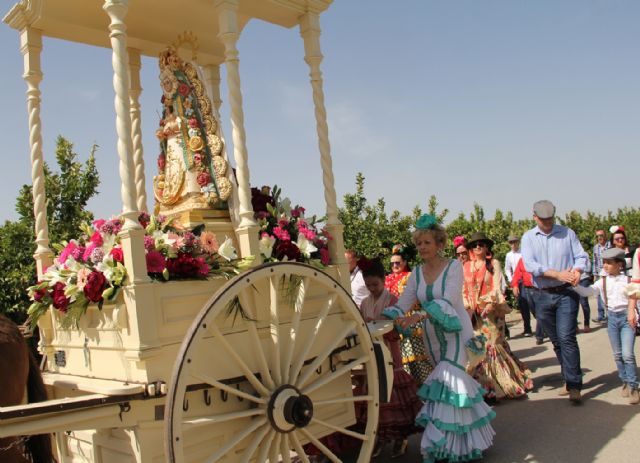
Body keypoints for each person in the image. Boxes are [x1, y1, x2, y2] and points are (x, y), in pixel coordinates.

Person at [383, 215, 495, 462]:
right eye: (419, 243)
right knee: (444, 389)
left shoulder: (453, 267)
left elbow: (449, 299)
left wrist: (417, 316)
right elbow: (404, 301)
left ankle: (457, 448)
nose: (422, 247)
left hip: (456, 333)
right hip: (432, 337)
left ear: (439, 244)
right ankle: (455, 444)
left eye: (427, 243)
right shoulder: (416, 273)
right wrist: (392, 315)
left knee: (451, 381)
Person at [521, 200, 589, 404]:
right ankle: (568, 377)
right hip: (541, 295)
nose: (548, 223)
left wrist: (577, 271)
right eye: (543, 220)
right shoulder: (528, 238)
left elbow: (581, 256)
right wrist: (557, 274)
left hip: (566, 293)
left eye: (550, 219)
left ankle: (575, 384)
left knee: (567, 337)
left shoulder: (567, 233)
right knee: (557, 340)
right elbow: (531, 265)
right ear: (535, 218)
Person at [358, 257, 423, 458]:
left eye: (375, 284)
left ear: (383, 280)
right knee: (377, 398)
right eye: (368, 285)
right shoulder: (364, 302)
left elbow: (397, 326)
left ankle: (400, 438)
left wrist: (377, 323)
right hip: (372, 355)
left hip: (389, 351)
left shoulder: (393, 300)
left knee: (393, 397)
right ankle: (381, 437)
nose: (372, 289)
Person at [463, 232, 534, 401]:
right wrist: (467, 307)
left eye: (481, 244)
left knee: (493, 346)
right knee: (479, 349)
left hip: (492, 313)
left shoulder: (493, 263)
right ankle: (485, 386)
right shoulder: (466, 266)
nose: (478, 247)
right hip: (474, 315)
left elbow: (496, 287)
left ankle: (502, 385)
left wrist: (489, 303)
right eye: (474, 245)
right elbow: (463, 289)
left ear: (487, 247)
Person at [574, 248, 639, 404]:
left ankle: (633, 386)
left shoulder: (629, 280)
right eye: (604, 263)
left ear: (619, 265)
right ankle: (624, 380)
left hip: (626, 318)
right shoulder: (602, 281)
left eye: (609, 263)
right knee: (617, 354)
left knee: (627, 354)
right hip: (612, 319)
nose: (605, 266)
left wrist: (635, 315)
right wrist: (575, 285)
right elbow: (587, 291)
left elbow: (636, 298)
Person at [385, 244, 434, 386]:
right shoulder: (388, 279)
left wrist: (402, 313)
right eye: (392, 263)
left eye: (397, 262)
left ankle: (427, 386)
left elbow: (413, 298)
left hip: (410, 320)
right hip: (396, 321)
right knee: (402, 358)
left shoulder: (409, 277)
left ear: (405, 263)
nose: (394, 265)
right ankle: (411, 389)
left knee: (417, 358)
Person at [512, 257, 546, 344]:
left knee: (540, 311)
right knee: (534, 311)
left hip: (540, 288)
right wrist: (515, 285)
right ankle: (545, 328)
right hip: (527, 288)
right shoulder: (522, 259)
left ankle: (539, 335)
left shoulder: (540, 256)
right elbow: (517, 273)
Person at [505, 234, 533, 337]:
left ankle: (542, 327)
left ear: (518, 242)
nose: (513, 244)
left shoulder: (523, 253)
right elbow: (507, 268)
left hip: (527, 280)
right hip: (517, 282)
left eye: (514, 242)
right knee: (522, 304)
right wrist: (511, 279)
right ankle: (527, 328)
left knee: (532, 304)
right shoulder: (509, 255)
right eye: (511, 242)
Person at [592, 229, 610, 323]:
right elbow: (594, 261)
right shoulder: (596, 247)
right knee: (598, 294)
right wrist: (594, 275)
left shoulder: (610, 246)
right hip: (599, 273)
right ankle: (600, 315)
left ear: (605, 236)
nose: (599, 238)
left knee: (608, 294)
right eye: (598, 236)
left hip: (609, 274)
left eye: (601, 235)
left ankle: (609, 315)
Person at [577, 258, 593, 333]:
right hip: (573, 280)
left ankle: (587, 324)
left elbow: (588, 268)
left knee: (583, 302)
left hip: (583, 279)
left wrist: (577, 270)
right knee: (573, 302)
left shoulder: (584, 255)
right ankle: (574, 326)